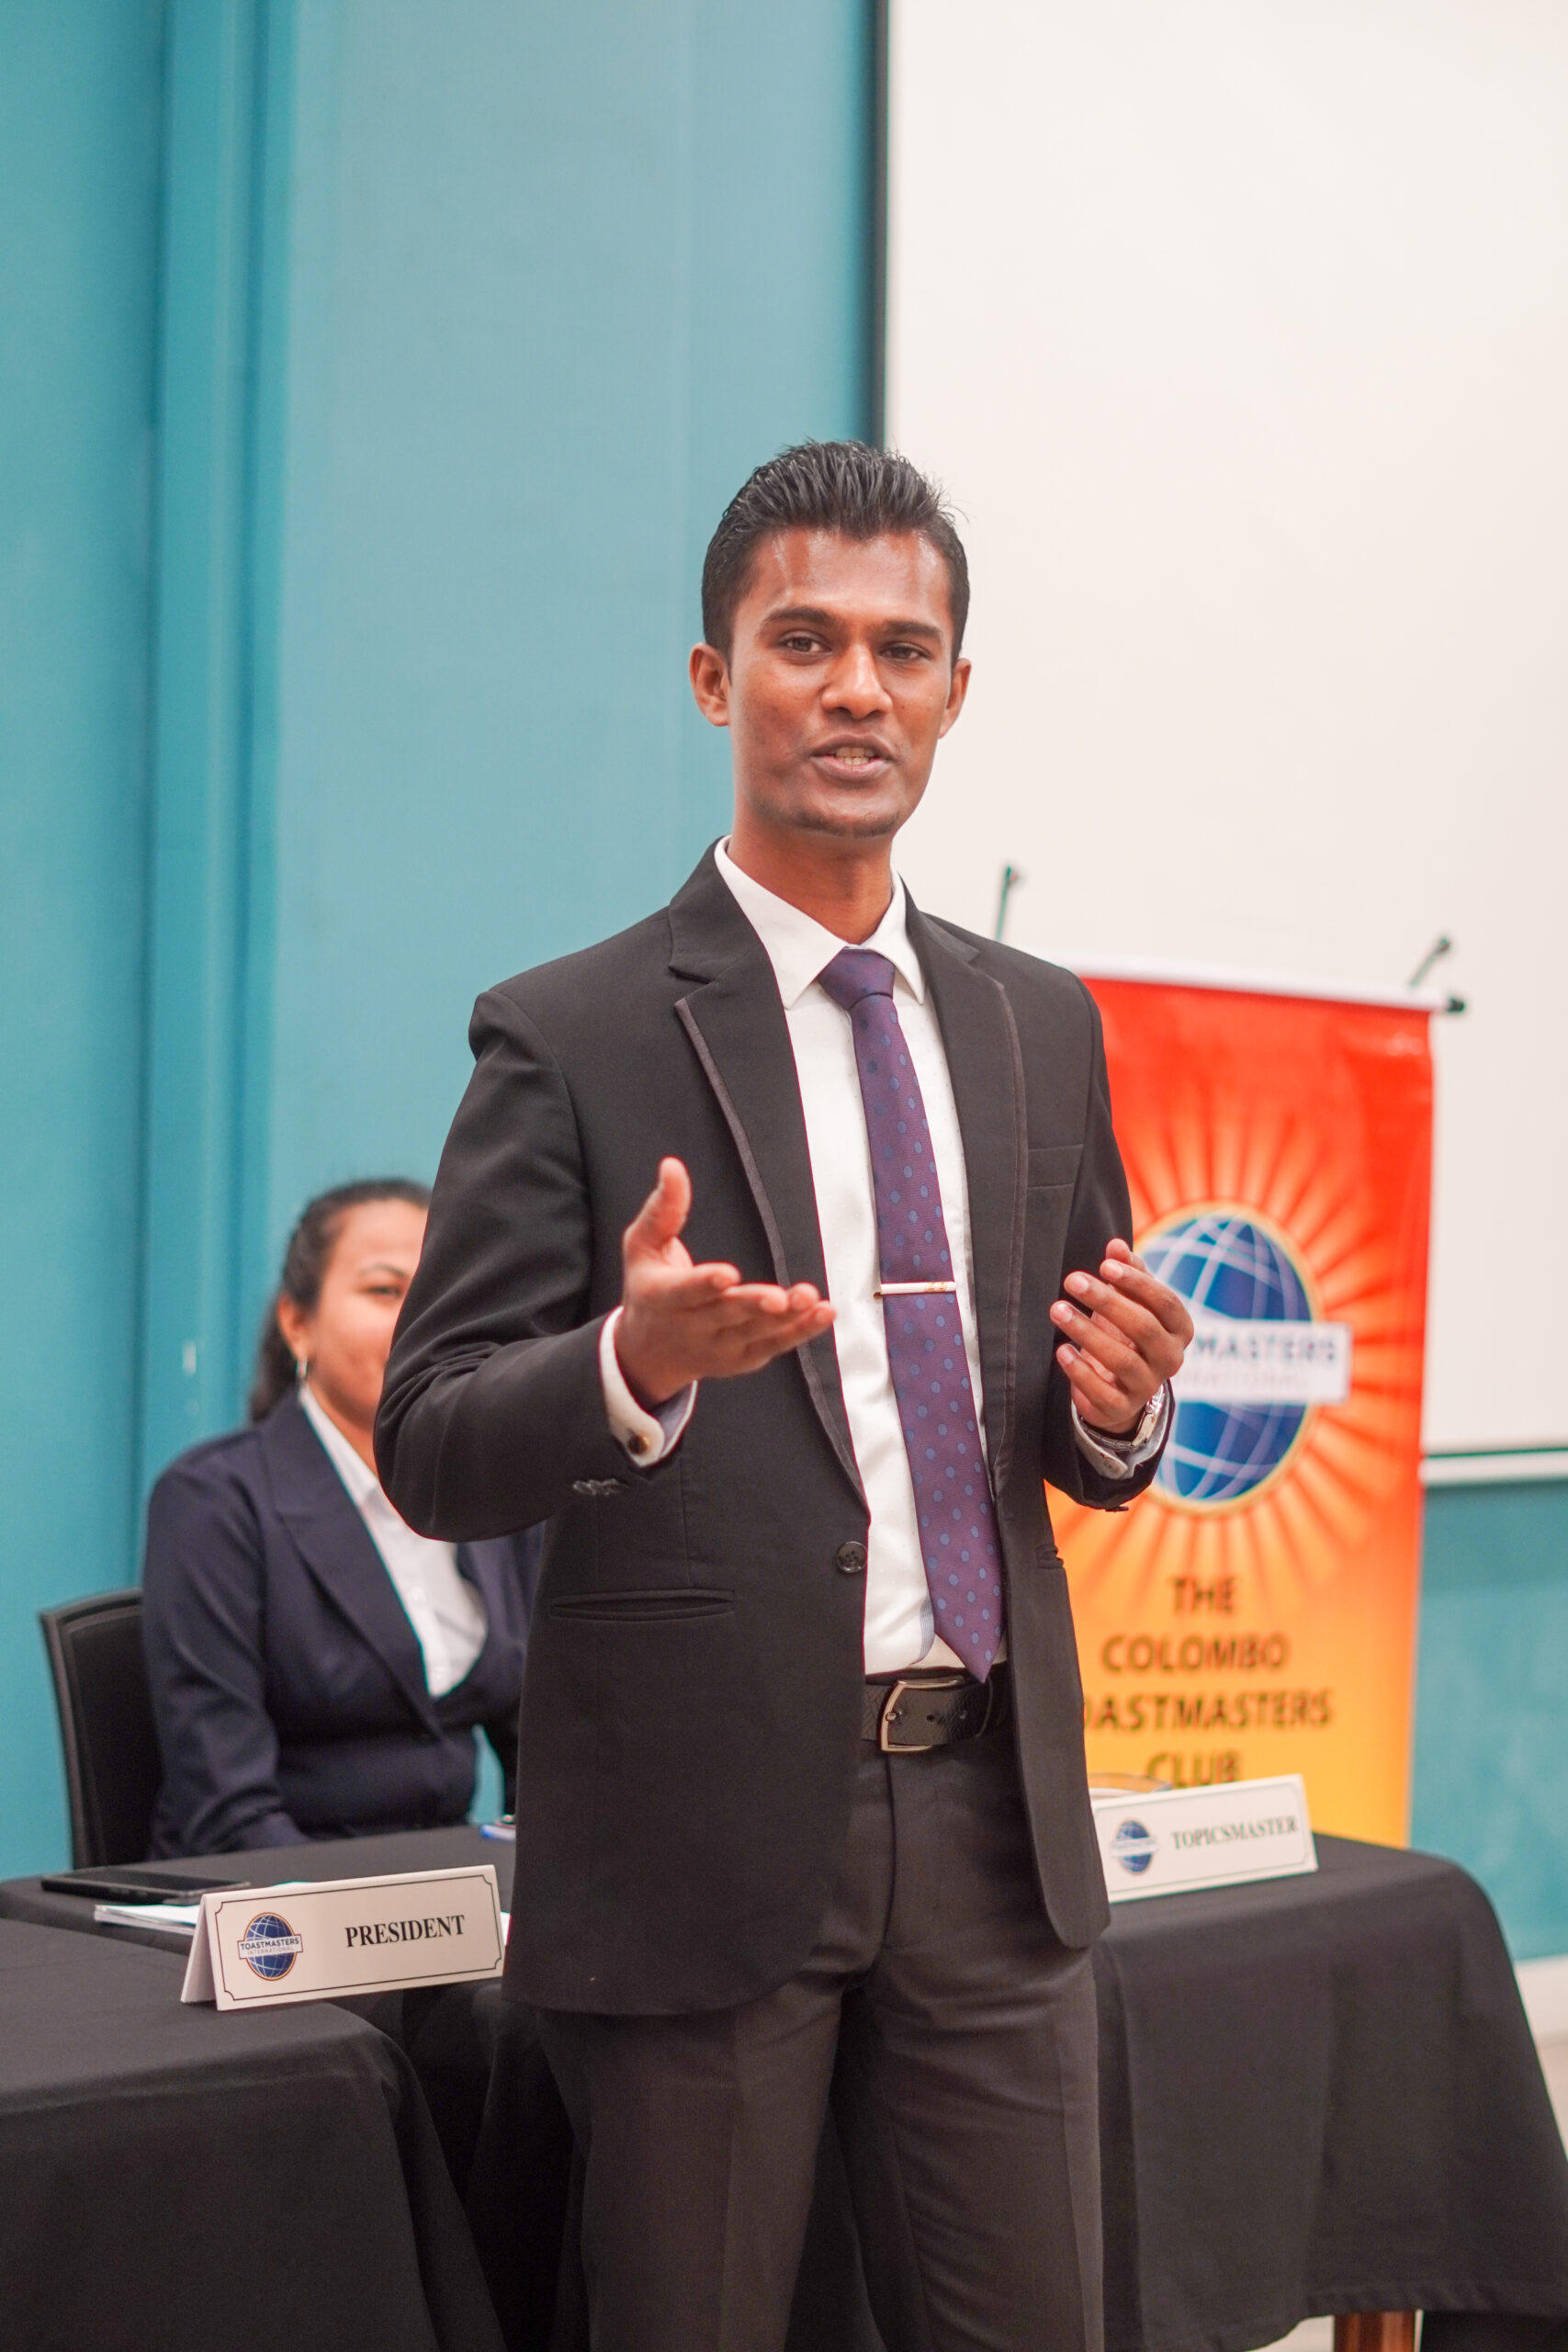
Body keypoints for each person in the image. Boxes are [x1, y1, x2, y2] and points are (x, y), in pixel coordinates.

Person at [378, 443, 1193, 2352]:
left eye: (900, 649)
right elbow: (428, 1436)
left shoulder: (1035, 1017)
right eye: (801, 639)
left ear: (953, 694)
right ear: (710, 675)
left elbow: (1063, 1409)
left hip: (994, 1819)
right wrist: (627, 1364)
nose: (853, 686)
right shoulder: (568, 1029)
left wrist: (1123, 1415)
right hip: (701, 1836)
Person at [143, 1179, 539, 1858]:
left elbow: (540, 1757)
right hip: (269, 1915)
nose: (419, 1319)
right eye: (385, 1291)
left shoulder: (489, 1492)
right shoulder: (214, 1500)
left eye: (440, 1291)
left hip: (446, 1904)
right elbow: (227, 1810)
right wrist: (371, 1932)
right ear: (297, 1322)